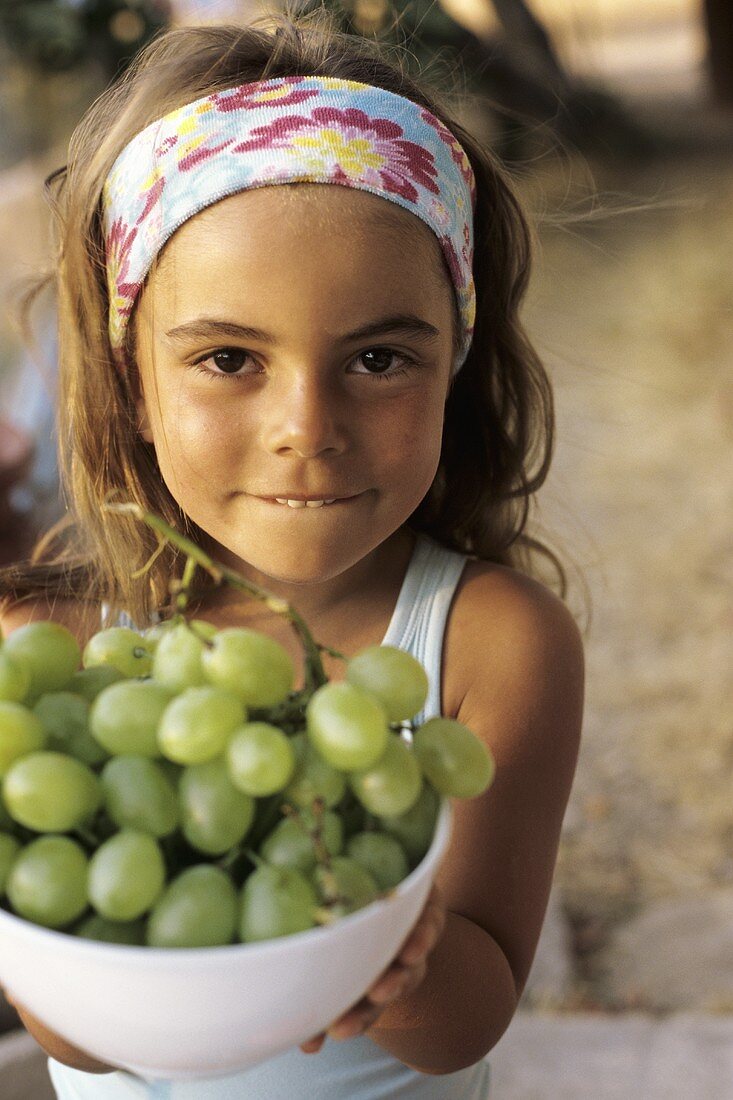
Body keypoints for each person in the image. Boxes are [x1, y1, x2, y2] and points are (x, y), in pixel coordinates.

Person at [0, 8, 584, 1098]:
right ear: (132, 383)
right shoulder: (50, 649)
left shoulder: (491, 642)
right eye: (228, 356)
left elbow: (472, 1013)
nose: (305, 426)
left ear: (453, 361)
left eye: (375, 355)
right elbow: (74, 1037)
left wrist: (393, 952)